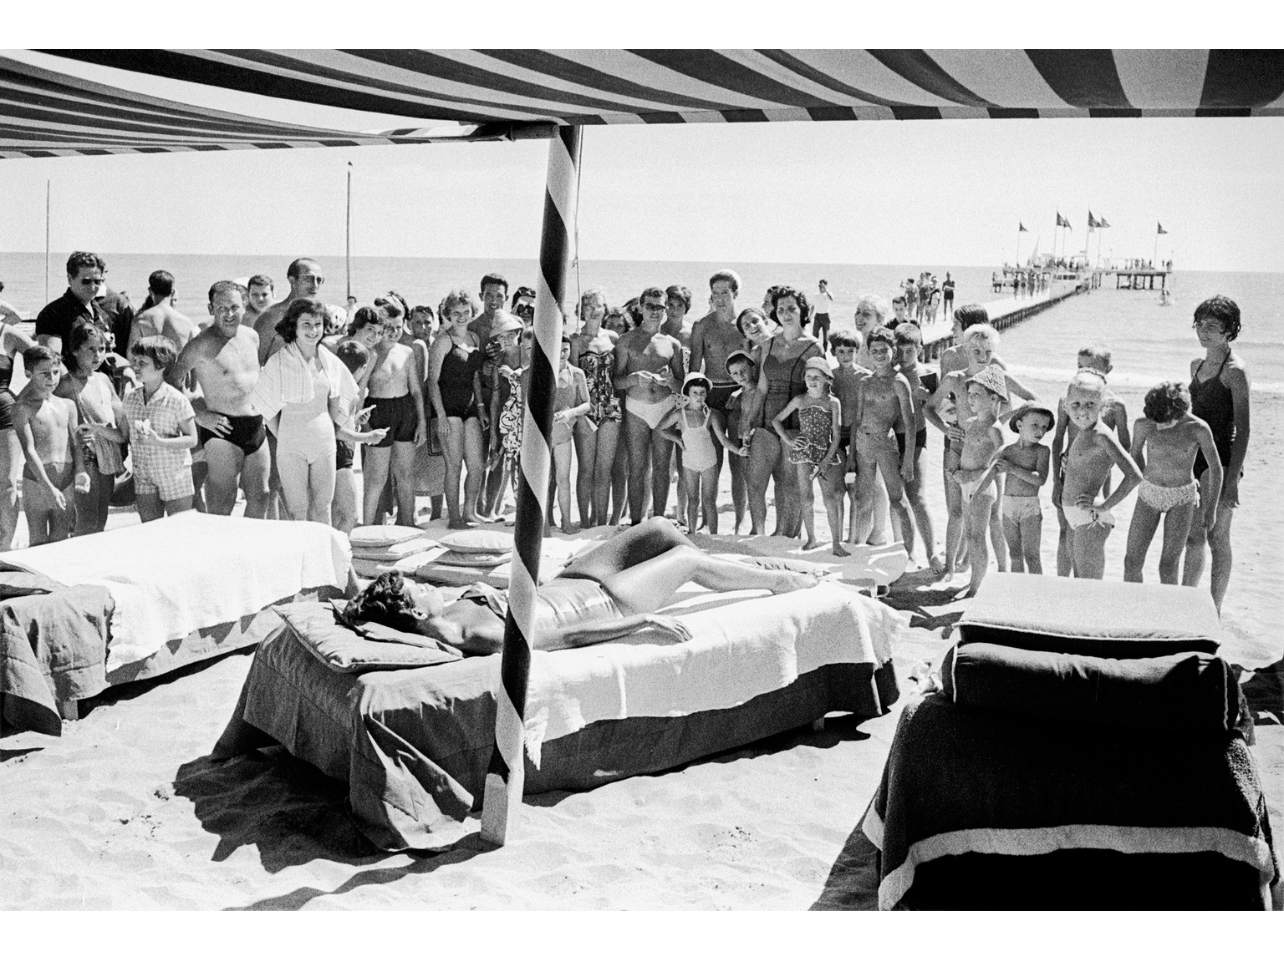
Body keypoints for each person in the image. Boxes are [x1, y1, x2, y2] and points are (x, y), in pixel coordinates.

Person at [344, 517, 819, 655]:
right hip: (609, 602)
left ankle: (744, 567)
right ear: (418, 614)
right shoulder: (475, 637)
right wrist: (640, 622)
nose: (425, 586)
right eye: (417, 589)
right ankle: (776, 581)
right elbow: (564, 637)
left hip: (571, 580)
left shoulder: (447, 609)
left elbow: (360, 609)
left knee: (658, 528)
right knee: (687, 560)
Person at [254, 298, 374, 526]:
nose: (313, 330)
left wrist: (332, 430)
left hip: (324, 442)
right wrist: (287, 438)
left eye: (318, 324)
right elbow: (266, 409)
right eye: (306, 324)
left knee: (323, 508)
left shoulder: (330, 362)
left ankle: (323, 560)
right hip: (291, 442)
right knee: (298, 511)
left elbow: (343, 400)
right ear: (294, 326)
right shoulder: (278, 362)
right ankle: (303, 561)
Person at [168, 281, 271, 518]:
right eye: (221, 307)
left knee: (261, 495)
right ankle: (220, 553)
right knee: (223, 502)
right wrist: (199, 415)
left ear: (244, 306)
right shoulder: (201, 344)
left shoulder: (252, 337)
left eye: (234, 307)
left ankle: (246, 552)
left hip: (256, 425)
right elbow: (172, 382)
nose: (228, 313)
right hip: (222, 429)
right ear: (210, 308)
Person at [1182, 296, 1250, 612]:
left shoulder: (1235, 371)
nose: (1204, 331)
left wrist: (1233, 478)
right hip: (1193, 459)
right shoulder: (1195, 366)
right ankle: (1187, 606)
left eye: (1213, 326)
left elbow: (1244, 430)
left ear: (1229, 331)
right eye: (1200, 324)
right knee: (1192, 537)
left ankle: (1215, 608)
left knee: (1217, 538)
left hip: (1220, 461)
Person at [1124, 382, 1221, 586]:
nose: (1159, 425)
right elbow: (1135, 454)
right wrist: (1146, 477)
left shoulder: (1198, 429)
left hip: (1181, 498)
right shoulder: (1144, 424)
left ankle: (1170, 613)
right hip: (1149, 493)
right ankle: (1132, 608)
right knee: (1131, 561)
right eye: (1155, 420)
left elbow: (1216, 469)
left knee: (1167, 565)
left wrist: (1211, 509)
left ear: (1179, 411)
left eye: (1165, 421)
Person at [92, 337, 197, 522]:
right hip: (143, 475)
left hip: (174, 474)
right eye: (135, 361)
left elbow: (191, 439)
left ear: (162, 366)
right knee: (149, 530)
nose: (136, 367)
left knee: (180, 530)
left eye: (143, 363)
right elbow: (124, 435)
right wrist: (96, 428)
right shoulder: (131, 398)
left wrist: (160, 442)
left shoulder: (176, 399)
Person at [1050, 345, 1131, 577]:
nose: (1087, 373)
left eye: (1093, 368)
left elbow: (1125, 447)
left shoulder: (1115, 405)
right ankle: (1063, 583)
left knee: (1090, 530)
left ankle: (1083, 581)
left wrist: (1103, 465)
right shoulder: (1068, 401)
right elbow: (1057, 440)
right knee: (1065, 530)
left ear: (1108, 369)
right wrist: (1056, 480)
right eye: (1080, 367)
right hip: (1068, 471)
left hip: (1098, 473)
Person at [1060, 371, 1143, 580]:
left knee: (1089, 586)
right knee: (1080, 582)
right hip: (1076, 516)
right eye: (1076, 404)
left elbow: (1134, 476)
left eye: (1090, 404)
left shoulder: (1101, 435)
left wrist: (1104, 506)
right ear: (1066, 405)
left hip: (1091, 518)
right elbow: (1091, 466)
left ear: (1102, 406)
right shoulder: (1084, 431)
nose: (1082, 411)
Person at [755, 286, 822, 539]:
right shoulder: (769, 343)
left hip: (796, 421)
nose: (786, 314)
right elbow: (761, 387)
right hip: (767, 418)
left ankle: (789, 533)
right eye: (780, 309)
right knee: (774, 479)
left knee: (790, 480)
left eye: (792, 308)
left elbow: (820, 391)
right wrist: (749, 420)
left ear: (802, 311)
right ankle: (779, 530)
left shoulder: (813, 347)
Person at [614, 286, 684, 526]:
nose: (655, 311)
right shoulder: (626, 340)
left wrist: (670, 381)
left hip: (664, 408)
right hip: (636, 409)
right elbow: (616, 380)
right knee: (637, 466)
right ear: (640, 308)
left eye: (660, 307)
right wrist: (633, 379)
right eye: (650, 306)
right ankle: (635, 522)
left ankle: (659, 521)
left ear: (666, 311)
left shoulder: (672, 344)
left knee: (663, 467)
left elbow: (682, 385)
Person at [14, 346, 90, 544]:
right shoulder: (23, 408)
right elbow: (28, 450)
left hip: (65, 479)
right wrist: (47, 487)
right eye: (44, 374)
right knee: (38, 540)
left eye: (56, 372)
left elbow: (75, 442)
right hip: (37, 481)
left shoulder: (67, 405)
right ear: (28, 374)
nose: (52, 378)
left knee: (61, 538)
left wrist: (81, 470)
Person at [56, 320, 124, 536]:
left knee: (101, 517)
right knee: (86, 519)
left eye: (101, 349)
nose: (97, 355)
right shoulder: (67, 384)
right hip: (84, 457)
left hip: (108, 452)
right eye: (91, 349)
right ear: (75, 350)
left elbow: (119, 415)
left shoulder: (104, 379)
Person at [363, 297, 427, 528]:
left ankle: (407, 522)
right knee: (376, 478)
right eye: (388, 328)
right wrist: (365, 426)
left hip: (404, 411)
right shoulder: (371, 353)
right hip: (378, 412)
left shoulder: (407, 352)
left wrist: (421, 422)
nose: (393, 333)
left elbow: (417, 391)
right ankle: (368, 527)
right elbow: (360, 391)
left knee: (405, 474)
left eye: (398, 328)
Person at [849, 328, 914, 549]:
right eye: (874, 350)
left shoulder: (898, 381)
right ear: (868, 352)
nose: (879, 354)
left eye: (883, 350)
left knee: (898, 500)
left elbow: (910, 422)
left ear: (892, 351)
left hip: (885, 443)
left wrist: (908, 461)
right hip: (862, 444)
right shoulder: (865, 382)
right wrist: (850, 456)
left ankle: (909, 552)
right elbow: (857, 419)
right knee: (862, 499)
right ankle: (858, 545)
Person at [773, 357, 844, 555]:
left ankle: (836, 543)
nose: (812, 381)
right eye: (809, 377)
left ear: (827, 380)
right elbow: (777, 420)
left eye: (817, 377)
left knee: (830, 498)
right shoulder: (800, 400)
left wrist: (826, 459)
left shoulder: (832, 402)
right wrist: (789, 440)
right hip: (803, 452)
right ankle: (812, 538)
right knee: (806, 497)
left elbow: (836, 435)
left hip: (825, 451)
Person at [429, 288, 487, 528]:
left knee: (476, 465)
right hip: (448, 408)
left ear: (472, 312)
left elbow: (474, 376)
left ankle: (469, 512)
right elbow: (432, 381)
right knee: (453, 466)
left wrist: (481, 408)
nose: (461, 316)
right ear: (447, 314)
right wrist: (440, 415)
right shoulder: (443, 341)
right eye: (456, 312)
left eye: (465, 311)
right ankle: (453, 517)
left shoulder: (474, 339)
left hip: (470, 407)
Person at [569, 290, 620, 528]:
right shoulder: (576, 340)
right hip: (586, 408)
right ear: (581, 309)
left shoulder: (613, 338)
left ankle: (601, 521)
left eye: (597, 305)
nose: (592, 309)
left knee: (604, 470)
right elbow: (569, 377)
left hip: (610, 406)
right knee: (586, 469)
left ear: (604, 308)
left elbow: (619, 374)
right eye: (587, 305)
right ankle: (585, 520)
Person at [893, 323, 942, 572]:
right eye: (899, 351)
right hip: (894, 438)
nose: (904, 356)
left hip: (918, 438)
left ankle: (932, 553)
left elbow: (941, 411)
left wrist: (927, 402)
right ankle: (908, 553)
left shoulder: (929, 376)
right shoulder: (891, 374)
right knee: (897, 501)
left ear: (920, 348)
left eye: (909, 350)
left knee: (918, 497)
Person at [993, 403, 1054, 575]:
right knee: (1014, 554)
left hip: (1029, 507)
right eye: (1035, 425)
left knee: (1032, 555)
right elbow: (990, 469)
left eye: (1044, 427)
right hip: (1008, 506)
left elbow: (1040, 480)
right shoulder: (1007, 450)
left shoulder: (1042, 451)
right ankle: (1017, 591)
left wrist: (1012, 469)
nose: (1040, 431)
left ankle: (1037, 593)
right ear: (1019, 425)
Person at [660, 373, 720, 535]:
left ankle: (713, 536)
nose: (699, 396)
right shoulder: (680, 413)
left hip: (709, 461)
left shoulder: (710, 414)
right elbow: (661, 429)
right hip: (689, 461)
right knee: (693, 500)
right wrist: (677, 439)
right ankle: (692, 533)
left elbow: (722, 439)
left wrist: (737, 450)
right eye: (695, 393)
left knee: (709, 501)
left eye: (702, 393)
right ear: (687, 393)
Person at [0, 305, 36, 548]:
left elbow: (45, 360)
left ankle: (4, 549)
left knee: (8, 483)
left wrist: (23, 398)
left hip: (4, 414)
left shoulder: (7, 333)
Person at [35, 251, 114, 359]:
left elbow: (109, 354)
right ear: (70, 279)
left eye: (97, 281)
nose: (92, 287)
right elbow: (52, 362)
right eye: (86, 282)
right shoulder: (52, 314)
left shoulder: (102, 315)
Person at [254, 258, 325, 366]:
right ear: (292, 280)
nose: (315, 285)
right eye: (309, 279)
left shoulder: (320, 316)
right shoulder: (271, 317)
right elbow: (255, 363)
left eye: (319, 280)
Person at [722, 350, 760, 534]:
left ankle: (755, 522)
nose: (741, 376)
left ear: (752, 367)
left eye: (743, 370)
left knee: (754, 481)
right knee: (737, 477)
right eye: (735, 374)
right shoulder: (738, 393)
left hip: (756, 439)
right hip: (739, 436)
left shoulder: (760, 390)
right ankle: (739, 520)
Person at [128, 270, 195, 356]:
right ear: (173, 292)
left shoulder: (141, 320)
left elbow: (131, 355)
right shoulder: (186, 322)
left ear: (150, 291)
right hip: (178, 369)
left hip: (152, 369)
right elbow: (194, 359)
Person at [812, 279, 835, 351]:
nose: (820, 287)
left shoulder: (828, 294)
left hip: (825, 316)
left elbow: (831, 299)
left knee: (826, 338)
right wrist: (809, 316)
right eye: (819, 286)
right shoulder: (816, 295)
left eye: (822, 286)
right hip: (817, 316)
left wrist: (826, 289)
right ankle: (814, 351)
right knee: (814, 336)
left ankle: (824, 353)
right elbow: (812, 306)